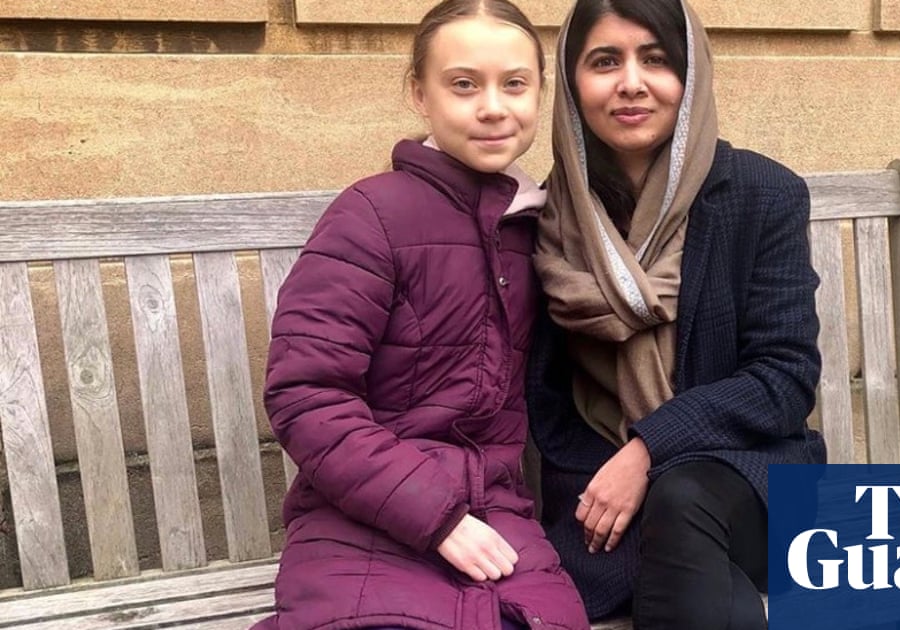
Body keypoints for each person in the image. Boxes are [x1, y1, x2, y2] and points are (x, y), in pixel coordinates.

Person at [254, 1, 589, 629]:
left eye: (515, 84)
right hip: (359, 519)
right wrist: (438, 518)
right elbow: (306, 393)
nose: (493, 107)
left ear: (541, 92)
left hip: (499, 516)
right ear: (419, 93)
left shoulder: (539, 229)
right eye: (463, 84)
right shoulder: (370, 216)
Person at [527, 0, 825, 628]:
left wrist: (649, 449)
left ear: (691, 75)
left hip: (750, 475)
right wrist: (613, 476)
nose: (631, 83)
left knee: (683, 498)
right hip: (596, 489)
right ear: (573, 83)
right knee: (686, 547)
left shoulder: (761, 194)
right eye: (604, 61)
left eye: (656, 59)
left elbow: (783, 378)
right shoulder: (551, 218)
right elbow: (546, 401)